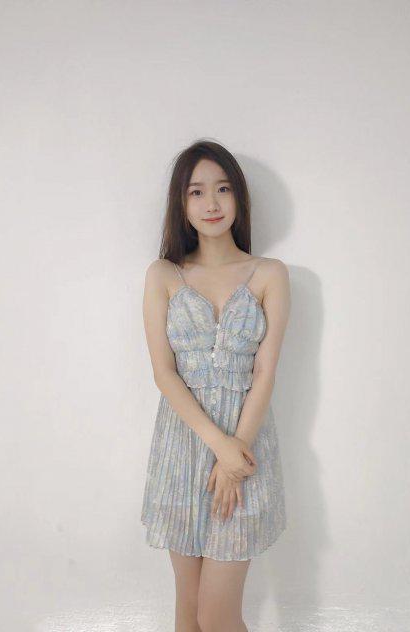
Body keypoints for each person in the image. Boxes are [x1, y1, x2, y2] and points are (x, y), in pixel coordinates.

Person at [140, 139, 291, 632]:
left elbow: (265, 373)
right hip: (182, 447)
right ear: (181, 204)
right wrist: (218, 445)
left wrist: (235, 452)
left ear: (238, 198)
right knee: (188, 612)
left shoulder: (269, 274)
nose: (211, 203)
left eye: (223, 189)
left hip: (244, 452)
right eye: (196, 191)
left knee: (217, 615)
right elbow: (164, 373)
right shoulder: (164, 275)